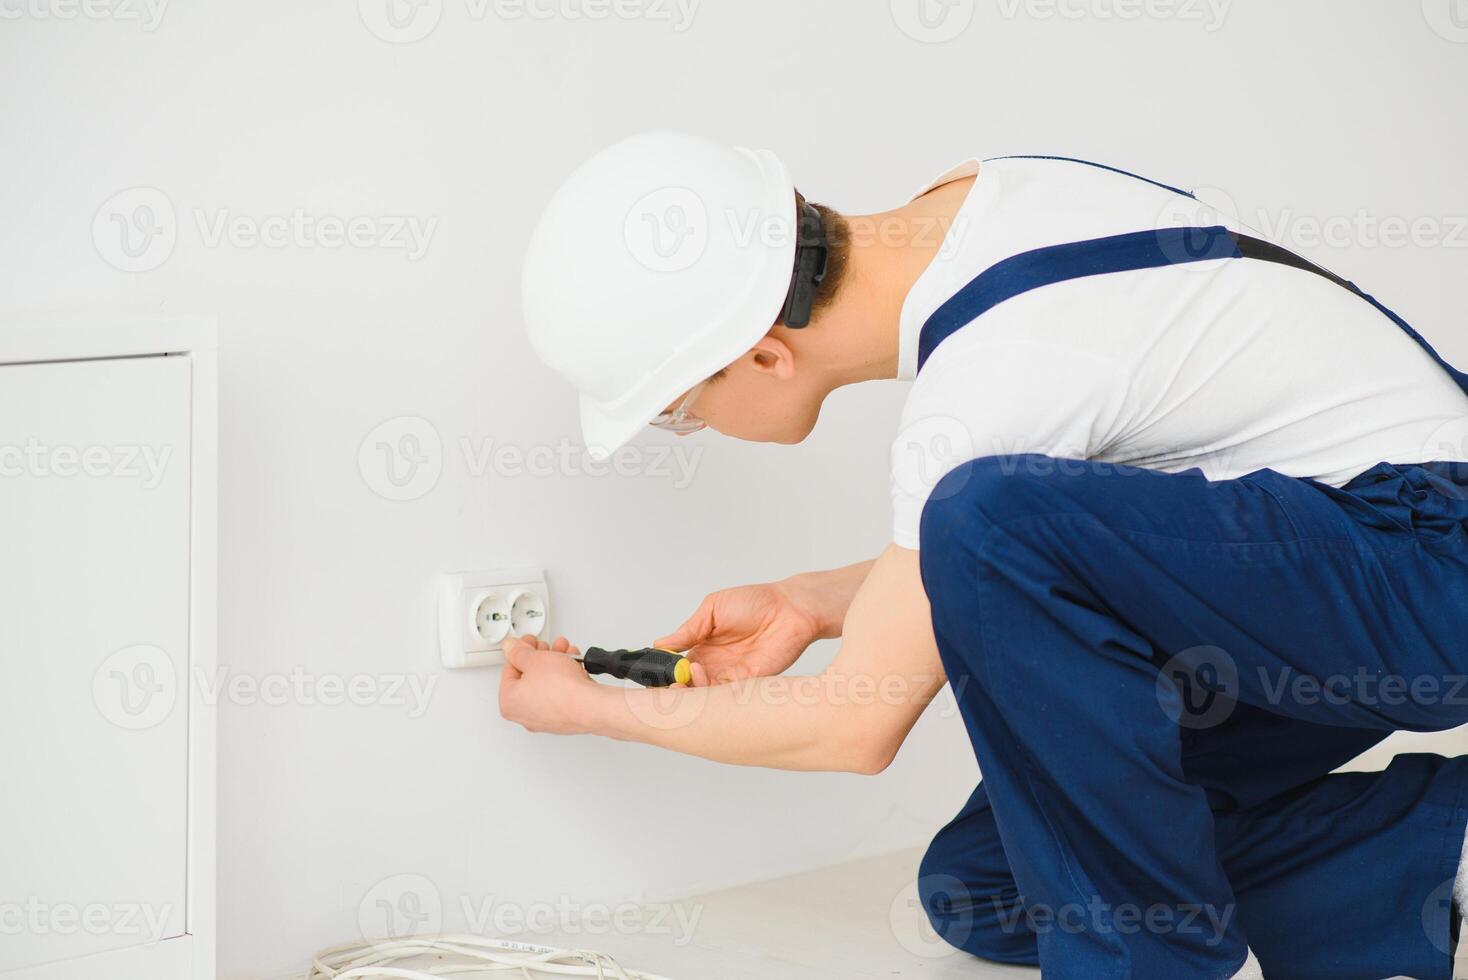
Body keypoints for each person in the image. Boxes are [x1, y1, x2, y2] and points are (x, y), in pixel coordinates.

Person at [506, 131, 1468, 979]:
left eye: (680, 410)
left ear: (763, 355)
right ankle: (1443, 860)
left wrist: (593, 709)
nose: (695, 428)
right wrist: (815, 600)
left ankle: (1150, 967)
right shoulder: (979, 199)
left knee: (990, 518)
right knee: (986, 888)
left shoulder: (977, 393)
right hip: (1318, 562)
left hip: (1428, 551)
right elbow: (1092, 536)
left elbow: (854, 726)